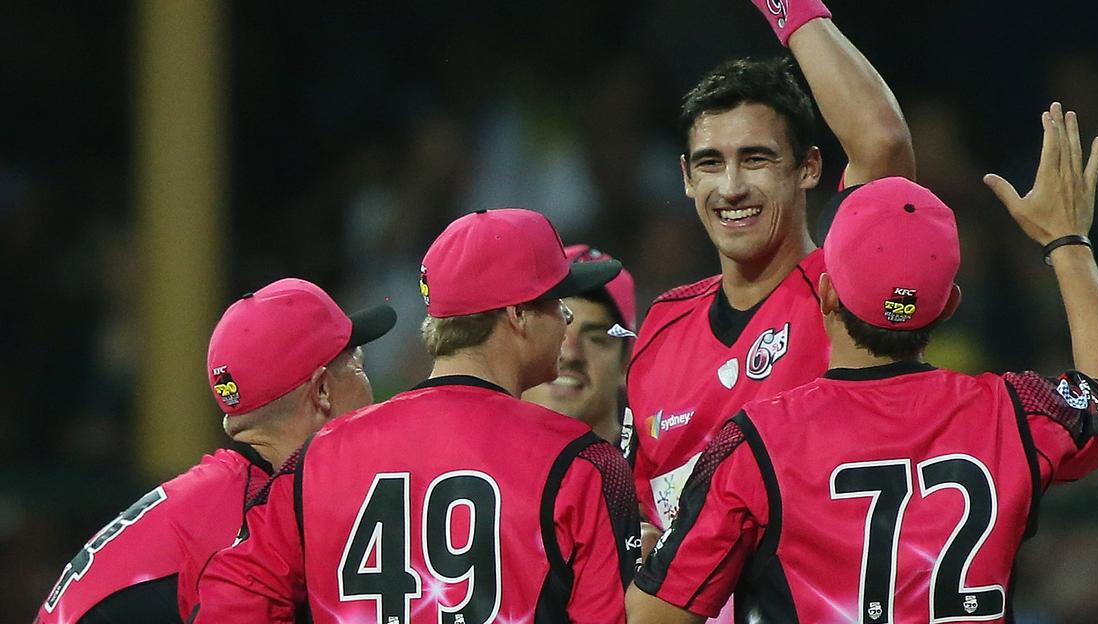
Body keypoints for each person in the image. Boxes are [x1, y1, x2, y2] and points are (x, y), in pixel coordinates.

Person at [625, 104, 1098, 623]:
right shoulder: (1011, 413)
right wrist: (1069, 244)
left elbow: (655, 616)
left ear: (826, 294)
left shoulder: (754, 442)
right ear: (948, 306)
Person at [194, 209, 643, 623]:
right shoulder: (584, 463)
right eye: (556, 302)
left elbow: (230, 601)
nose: (565, 320)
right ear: (519, 314)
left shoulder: (319, 456)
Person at [626, 0, 914, 534]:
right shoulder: (659, 329)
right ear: (685, 177)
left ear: (809, 168)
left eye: (755, 159)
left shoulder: (841, 292)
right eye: (710, 163)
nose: (730, 188)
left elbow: (884, 147)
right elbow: (649, 511)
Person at [36, 278, 396, 624]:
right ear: (322, 392)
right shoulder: (254, 515)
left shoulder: (224, 496)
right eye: (358, 367)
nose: (370, 388)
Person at [524, 244, 637, 445]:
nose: (570, 353)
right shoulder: (467, 461)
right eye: (555, 331)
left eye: (595, 339)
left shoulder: (659, 472)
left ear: (626, 363)